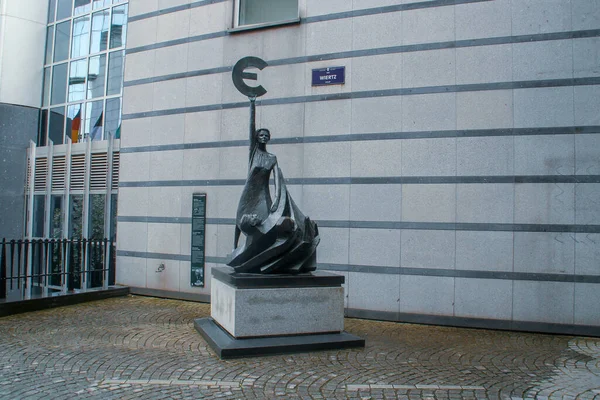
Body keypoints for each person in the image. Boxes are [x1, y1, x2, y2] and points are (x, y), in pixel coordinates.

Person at [227, 98, 319, 274]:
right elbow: (251, 127)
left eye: (266, 135)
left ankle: (261, 254)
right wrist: (252, 104)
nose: (263, 137)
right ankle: (234, 247)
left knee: (262, 224)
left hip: (262, 195)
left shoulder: (272, 158)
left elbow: (277, 179)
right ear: (256, 137)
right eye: (260, 135)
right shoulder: (253, 153)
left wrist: (277, 200)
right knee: (239, 220)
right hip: (248, 194)